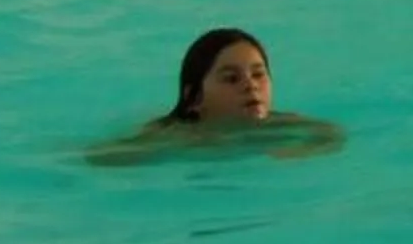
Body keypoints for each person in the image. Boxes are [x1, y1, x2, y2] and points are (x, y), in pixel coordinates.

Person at [88, 27, 343, 165]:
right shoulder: (177, 136)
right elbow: (102, 157)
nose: (251, 86)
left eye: (258, 75)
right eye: (232, 78)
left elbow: (331, 134)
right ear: (195, 98)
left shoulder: (280, 124)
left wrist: (296, 154)